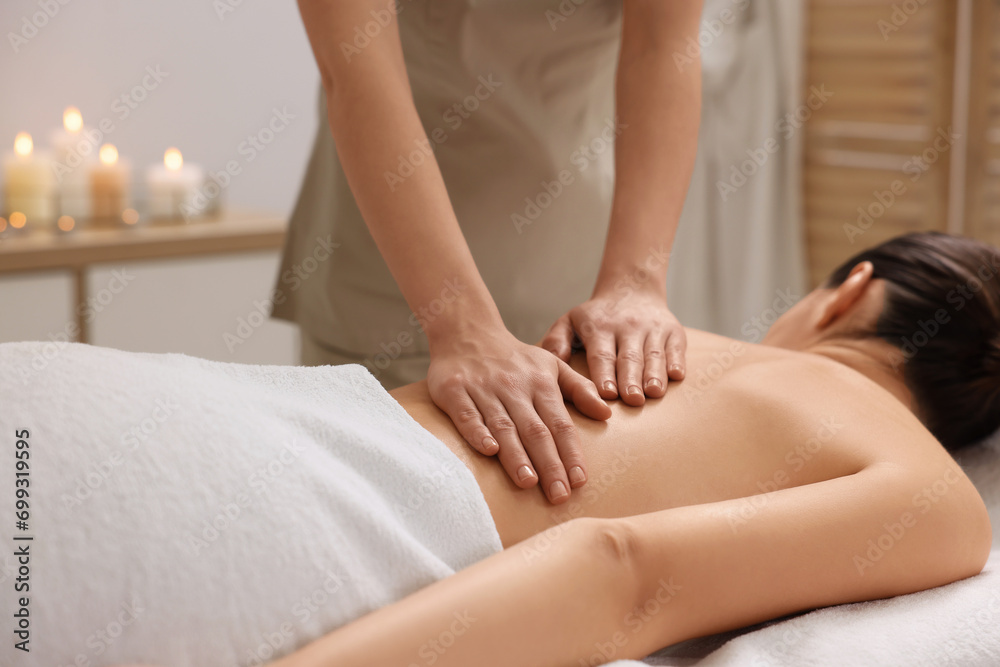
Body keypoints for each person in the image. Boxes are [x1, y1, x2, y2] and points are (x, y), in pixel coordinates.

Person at [5, 233, 997, 666]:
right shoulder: (934, 496)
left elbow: (616, 563)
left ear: (850, 292)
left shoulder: (652, 340)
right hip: (248, 536)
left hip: (129, 409)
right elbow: (617, 569)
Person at [273, 0, 704, 504]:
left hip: (572, 259)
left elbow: (664, 48)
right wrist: (460, 325)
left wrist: (634, 281)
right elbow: (357, 72)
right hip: (397, 273)